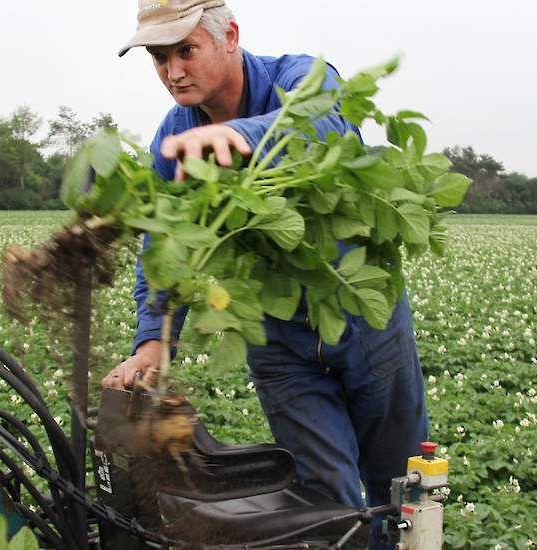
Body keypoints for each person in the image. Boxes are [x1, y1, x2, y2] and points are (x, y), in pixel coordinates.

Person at [101, 2, 429, 547]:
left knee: (401, 486)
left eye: (186, 50)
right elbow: (165, 247)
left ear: (229, 36)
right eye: (160, 58)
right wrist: (154, 340)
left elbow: (325, 123)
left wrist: (243, 137)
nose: (173, 70)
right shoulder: (174, 138)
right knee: (327, 501)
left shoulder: (298, 78)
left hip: (365, 323)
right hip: (279, 342)